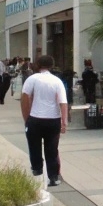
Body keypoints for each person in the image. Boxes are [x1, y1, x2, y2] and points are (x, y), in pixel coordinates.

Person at [20, 55, 68, 187]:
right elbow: (63, 103)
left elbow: (24, 98)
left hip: (35, 119)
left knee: (34, 147)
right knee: (52, 149)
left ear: (38, 64)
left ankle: (37, 172)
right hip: (53, 120)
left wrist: (26, 118)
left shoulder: (32, 79)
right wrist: (64, 122)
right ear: (51, 65)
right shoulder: (57, 81)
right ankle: (53, 177)